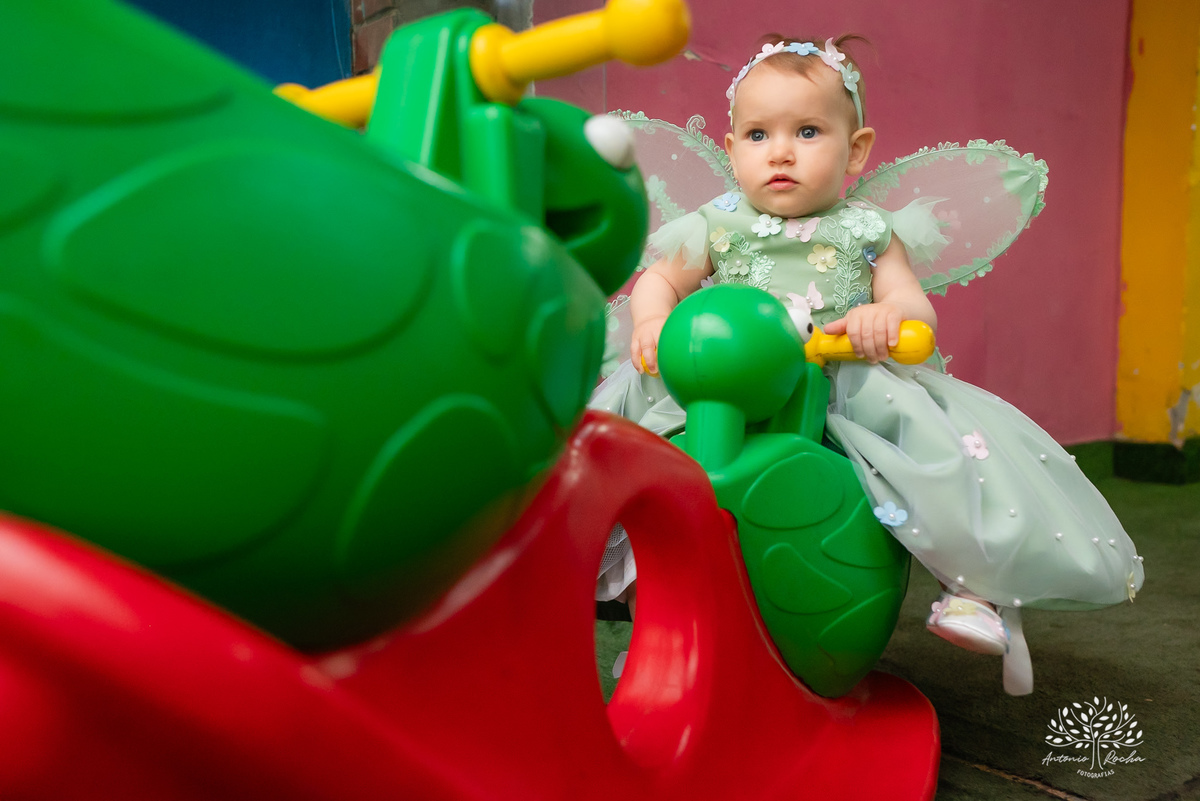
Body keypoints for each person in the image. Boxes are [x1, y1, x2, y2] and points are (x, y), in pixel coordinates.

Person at [591, 34, 1144, 695]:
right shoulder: (719, 223)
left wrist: (887, 318)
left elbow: (911, 305)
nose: (782, 152)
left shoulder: (868, 230)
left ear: (855, 150)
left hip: (836, 378)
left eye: (807, 131)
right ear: (733, 148)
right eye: (759, 135)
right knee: (629, 452)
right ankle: (652, 608)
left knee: (936, 446)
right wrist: (653, 320)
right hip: (729, 384)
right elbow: (659, 281)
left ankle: (972, 586)